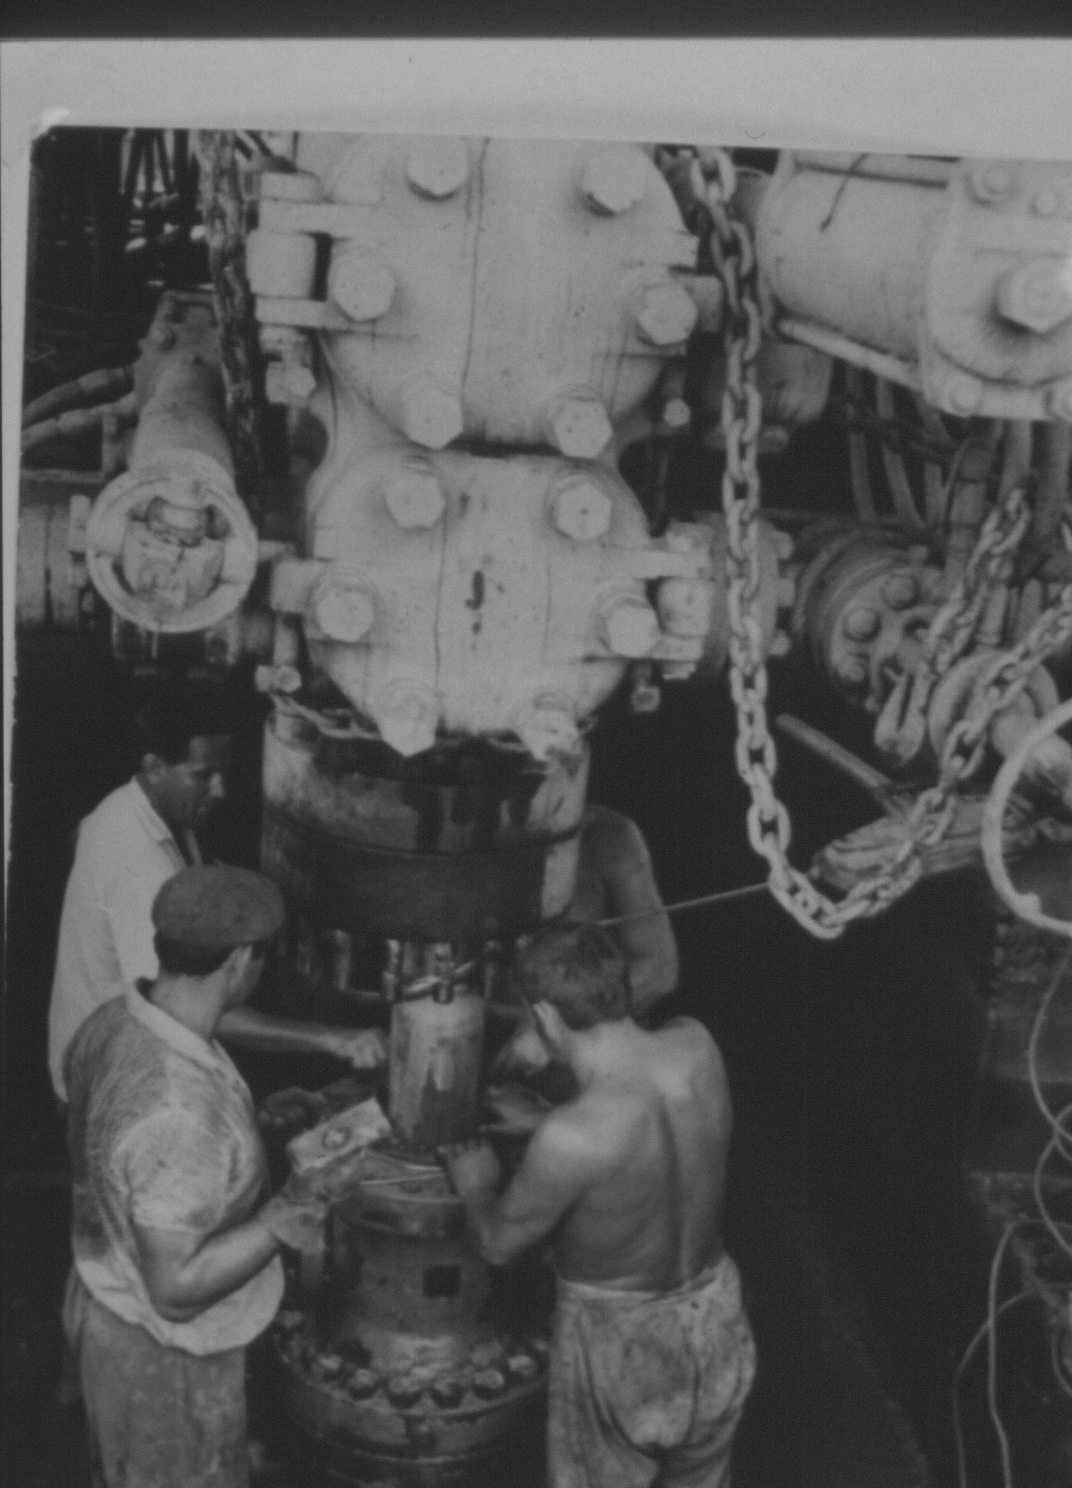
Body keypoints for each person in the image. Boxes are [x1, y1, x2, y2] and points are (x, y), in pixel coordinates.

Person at [443, 924, 755, 1488]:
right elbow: (648, 1128)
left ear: (545, 1016)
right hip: (716, 1315)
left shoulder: (571, 1138)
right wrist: (547, 1124)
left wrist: (475, 1185)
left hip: (621, 1339)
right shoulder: (697, 1045)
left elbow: (496, 1245)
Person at [63, 865, 330, 1488]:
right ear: (239, 961)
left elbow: (113, 1157)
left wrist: (249, 1130)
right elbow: (176, 1291)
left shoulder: (113, 1022)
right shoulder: (181, 1110)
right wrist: (298, 1202)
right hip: (162, 1361)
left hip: (104, 1303)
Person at [48, 686, 384, 1105]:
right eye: (203, 775)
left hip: (131, 1052)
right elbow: (184, 1004)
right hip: (106, 1083)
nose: (221, 790)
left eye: (223, 772)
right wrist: (335, 1039)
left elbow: (83, 836)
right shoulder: (137, 862)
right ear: (154, 767)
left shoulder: (143, 810)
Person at [493, 805, 678, 1081]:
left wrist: (544, 1030)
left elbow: (659, 971)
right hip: (489, 1042)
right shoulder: (455, 835)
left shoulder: (606, 836)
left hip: (589, 1055)